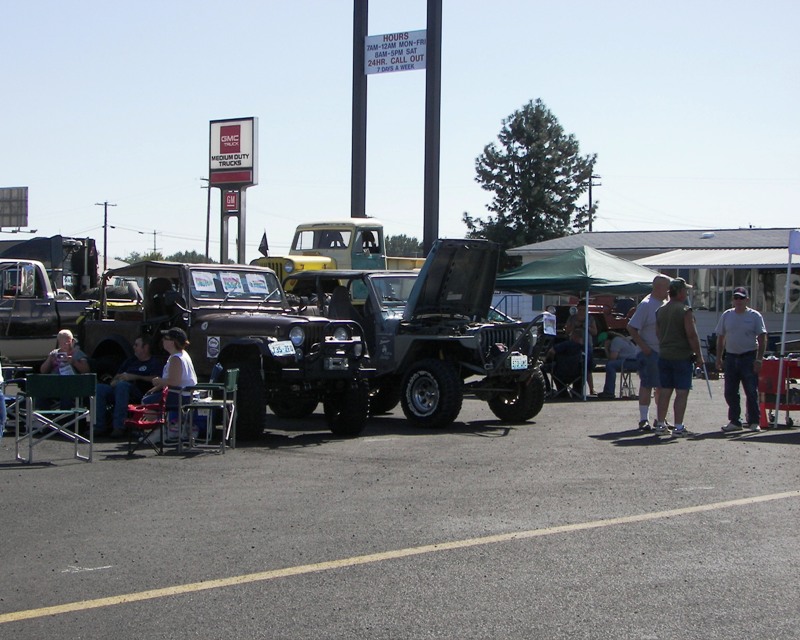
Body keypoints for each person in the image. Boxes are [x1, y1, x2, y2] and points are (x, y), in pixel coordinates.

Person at [654, 278, 704, 437]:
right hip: (681, 355)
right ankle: (678, 427)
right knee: (682, 392)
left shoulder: (660, 310)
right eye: (685, 290)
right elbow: (691, 335)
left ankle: (661, 424)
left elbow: (658, 333)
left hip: (664, 354)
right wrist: (699, 355)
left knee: (665, 391)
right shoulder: (685, 310)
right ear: (680, 292)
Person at [715, 287, 767, 433]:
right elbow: (721, 338)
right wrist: (719, 358)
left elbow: (762, 338)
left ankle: (754, 421)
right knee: (730, 391)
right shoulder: (727, 315)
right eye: (736, 298)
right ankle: (735, 421)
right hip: (731, 356)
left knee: (751, 390)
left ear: (747, 300)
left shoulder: (754, 316)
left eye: (741, 298)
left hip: (748, 356)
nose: (738, 301)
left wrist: (759, 359)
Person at [94, 335, 164, 438]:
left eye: (136, 345)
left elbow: (156, 378)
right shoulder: (130, 361)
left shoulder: (154, 363)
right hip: (119, 389)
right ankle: (99, 427)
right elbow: (117, 376)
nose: (134, 347)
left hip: (140, 392)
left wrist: (134, 377)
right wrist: (115, 381)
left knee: (123, 386)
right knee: (100, 388)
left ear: (145, 347)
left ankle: (119, 426)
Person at [627, 274, 671, 430]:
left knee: (662, 387)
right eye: (667, 288)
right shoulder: (646, 305)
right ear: (658, 287)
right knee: (647, 384)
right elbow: (631, 327)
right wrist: (644, 347)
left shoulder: (666, 304)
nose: (669, 291)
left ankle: (661, 418)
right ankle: (643, 419)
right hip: (649, 352)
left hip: (664, 352)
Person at [142, 327, 198, 409]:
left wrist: (158, 381)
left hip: (182, 396)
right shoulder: (180, 354)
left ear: (173, 342)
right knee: (150, 397)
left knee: (147, 402)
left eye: (165, 338)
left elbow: (174, 382)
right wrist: (156, 388)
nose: (162, 341)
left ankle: (155, 422)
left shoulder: (176, 359)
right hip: (183, 394)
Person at [597, 331, 641, 399]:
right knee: (611, 364)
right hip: (635, 361)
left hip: (631, 362)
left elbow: (612, 358)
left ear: (607, 340)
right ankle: (608, 391)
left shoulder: (615, 341)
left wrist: (606, 348)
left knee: (610, 365)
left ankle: (609, 392)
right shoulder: (622, 339)